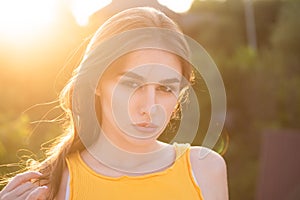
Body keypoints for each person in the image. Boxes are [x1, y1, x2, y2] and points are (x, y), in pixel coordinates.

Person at [0, 7, 228, 200]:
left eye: (165, 89)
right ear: (96, 83)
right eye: (132, 85)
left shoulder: (205, 170)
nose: (150, 108)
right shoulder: (52, 185)